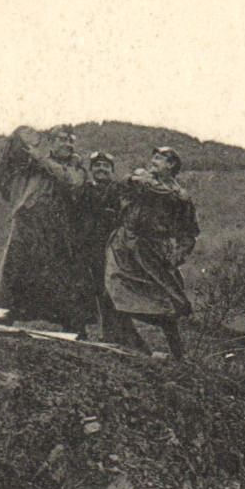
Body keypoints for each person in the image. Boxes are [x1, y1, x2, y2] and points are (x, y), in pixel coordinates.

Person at [103, 146, 199, 359]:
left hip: (153, 251)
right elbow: (122, 186)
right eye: (153, 157)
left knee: (165, 304)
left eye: (160, 158)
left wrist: (178, 255)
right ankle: (123, 345)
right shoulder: (140, 180)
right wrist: (135, 180)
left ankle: (178, 355)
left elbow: (189, 232)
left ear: (171, 165)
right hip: (124, 244)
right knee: (113, 290)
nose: (154, 161)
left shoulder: (181, 197)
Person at [0, 125, 89, 332]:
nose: (68, 144)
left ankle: (72, 325)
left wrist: (42, 159)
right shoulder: (31, 165)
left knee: (61, 274)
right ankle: (5, 314)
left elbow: (71, 181)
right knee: (17, 268)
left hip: (60, 228)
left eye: (71, 140)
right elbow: (8, 177)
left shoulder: (76, 167)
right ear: (51, 142)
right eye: (62, 139)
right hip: (29, 222)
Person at [76, 151, 124, 341]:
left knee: (107, 290)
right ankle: (80, 330)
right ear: (91, 169)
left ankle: (110, 334)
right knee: (81, 287)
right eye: (97, 166)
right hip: (85, 246)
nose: (101, 169)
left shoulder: (117, 191)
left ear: (112, 170)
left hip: (109, 248)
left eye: (106, 166)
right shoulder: (84, 189)